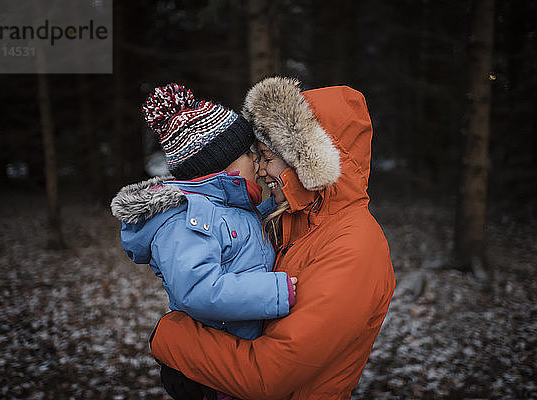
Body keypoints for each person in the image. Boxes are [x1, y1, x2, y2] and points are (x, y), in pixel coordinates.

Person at [150, 77, 396, 399]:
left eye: (266, 156)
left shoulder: (354, 249)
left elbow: (267, 376)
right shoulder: (290, 219)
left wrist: (169, 335)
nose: (261, 170)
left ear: (305, 161)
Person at [110, 83, 297, 399]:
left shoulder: (232, 207)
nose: (257, 163)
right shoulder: (187, 219)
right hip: (212, 372)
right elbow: (197, 290)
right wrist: (276, 291)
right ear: (222, 164)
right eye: (249, 154)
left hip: (239, 352)